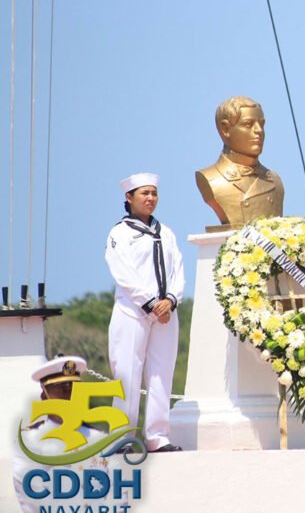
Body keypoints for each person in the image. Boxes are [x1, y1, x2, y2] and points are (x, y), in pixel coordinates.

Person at [105, 173, 185, 452]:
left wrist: (171, 300)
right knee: (127, 372)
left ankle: (157, 436)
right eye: (144, 194)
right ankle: (121, 438)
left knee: (161, 373)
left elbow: (178, 271)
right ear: (129, 198)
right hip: (133, 311)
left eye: (154, 193)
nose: (150, 198)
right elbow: (123, 273)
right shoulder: (120, 233)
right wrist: (151, 303)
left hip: (166, 313)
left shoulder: (167, 233)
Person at [11, 356, 108, 512]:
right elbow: (32, 495)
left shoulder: (100, 438)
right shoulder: (30, 440)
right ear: (45, 397)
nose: (69, 397)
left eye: (74, 390)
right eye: (62, 391)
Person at [196, 96, 284, 228]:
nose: (259, 131)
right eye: (248, 124)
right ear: (225, 129)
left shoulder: (275, 181)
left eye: (261, 124)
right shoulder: (212, 179)